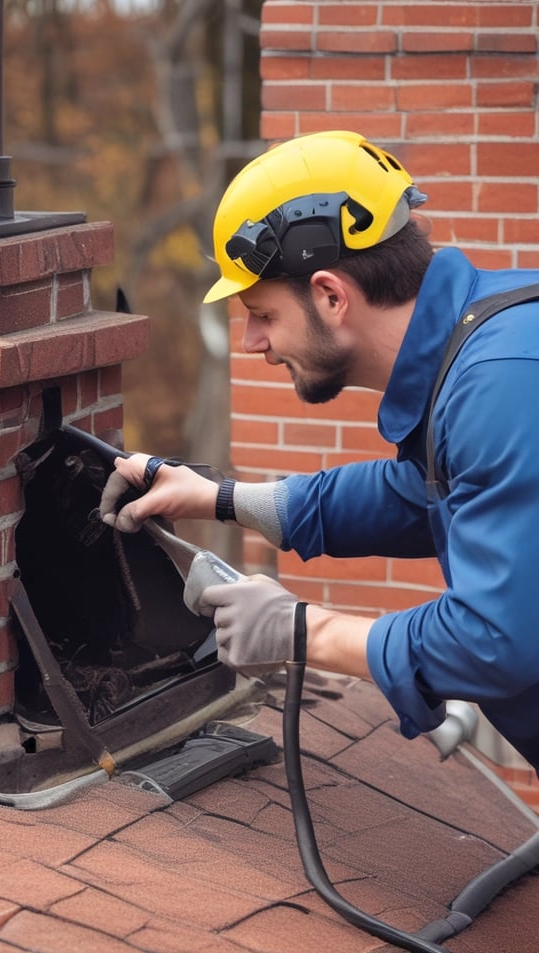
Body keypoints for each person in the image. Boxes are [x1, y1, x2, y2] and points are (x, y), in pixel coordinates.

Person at [100, 129, 539, 773]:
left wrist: (303, 630)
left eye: (263, 314)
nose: (252, 342)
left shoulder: (503, 384)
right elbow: (421, 493)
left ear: (332, 296)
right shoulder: (484, 347)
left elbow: (495, 639)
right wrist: (222, 499)